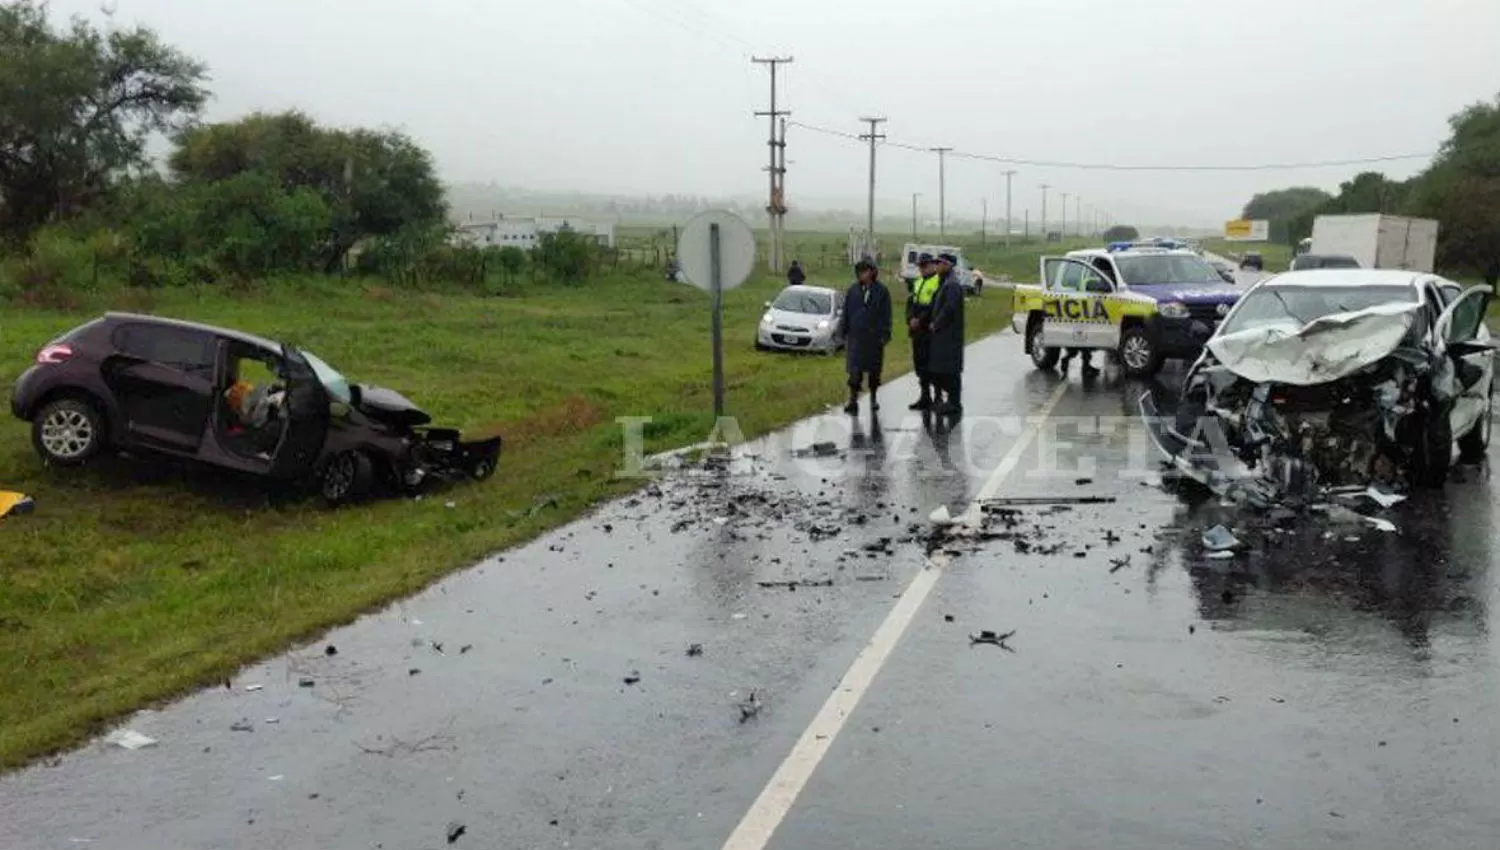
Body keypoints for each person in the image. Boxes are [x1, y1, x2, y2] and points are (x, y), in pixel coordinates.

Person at [839, 258, 893, 414]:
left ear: (871, 272)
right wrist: (843, 331)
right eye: (859, 271)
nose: (861, 274)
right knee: (854, 372)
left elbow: (886, 315)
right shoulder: (853, 290)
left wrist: (885, 334)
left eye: (864, 271)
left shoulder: (882, 291)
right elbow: (846, 312)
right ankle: (853, 400)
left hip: (874, 338)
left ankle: (873, 398)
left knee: (874, 372)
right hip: (856, 338)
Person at [927, 252, 966, 417]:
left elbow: (949, 308)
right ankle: (949, 401)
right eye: (937, 263)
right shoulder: (945, 282)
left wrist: (937, 323)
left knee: (950, 370)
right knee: (941, 369)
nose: (937, 266)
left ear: (948, 265)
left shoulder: (952, 284)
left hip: (949, 334)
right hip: (943, 335)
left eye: (940, 263)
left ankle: (954, 403)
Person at [905, 253, 942, 410]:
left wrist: (920, 320)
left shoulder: (937, 282)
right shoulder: (918, 282)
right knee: (919, 364)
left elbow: (934, 307)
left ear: (933, 265)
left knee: (933, 364)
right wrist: (910, 319)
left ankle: (938, 397)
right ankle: (924, 395)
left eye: (925, 265)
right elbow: (911, 303)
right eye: (920, 266)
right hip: (917, 331)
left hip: (929, 329)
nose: (922, 269)